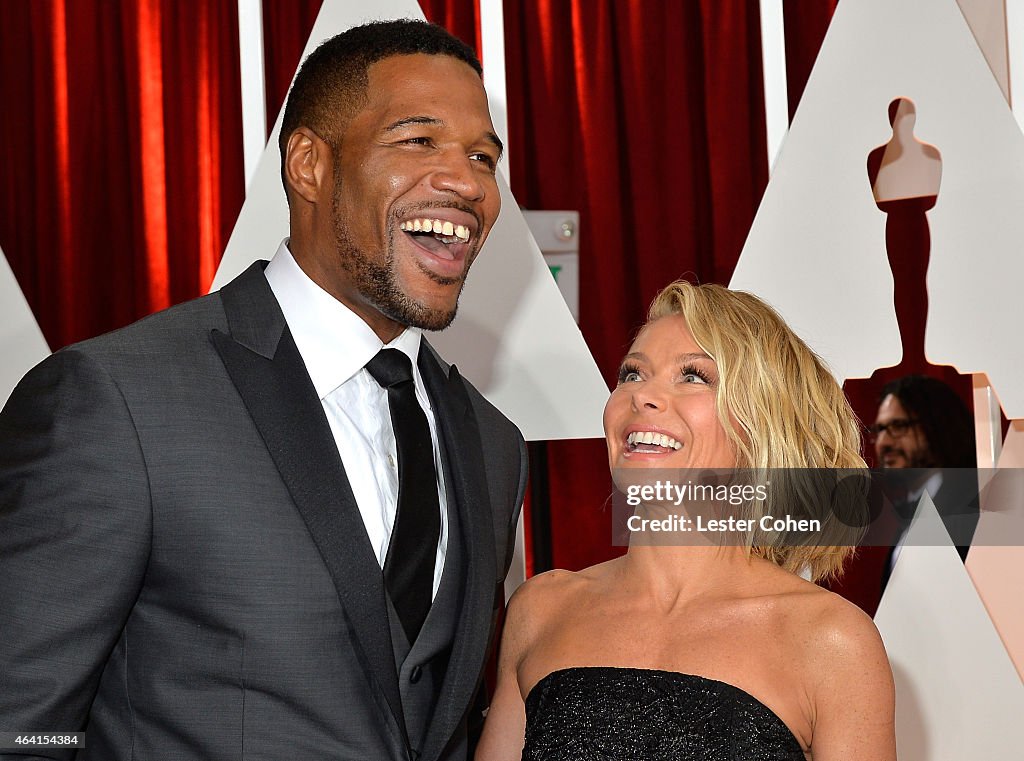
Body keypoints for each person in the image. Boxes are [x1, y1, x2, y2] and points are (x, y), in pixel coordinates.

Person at [0, 20, 526, 761]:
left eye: (482, 156)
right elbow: (20, 724)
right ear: (309, 164)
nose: (469, 182)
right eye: (419, 140)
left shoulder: (491, 440)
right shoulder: (120, 400)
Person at [476, 281, 895, 760]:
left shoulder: (831, 640)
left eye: (693, 376)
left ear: (762, 424)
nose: (643, 396)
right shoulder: (541, 610)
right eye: (632, 374)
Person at [871, 374, 978, 586]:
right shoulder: (909, 517)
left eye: (899, 426)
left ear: (937, 426)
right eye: (880, 430)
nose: (883, 443)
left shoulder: (977, 509)